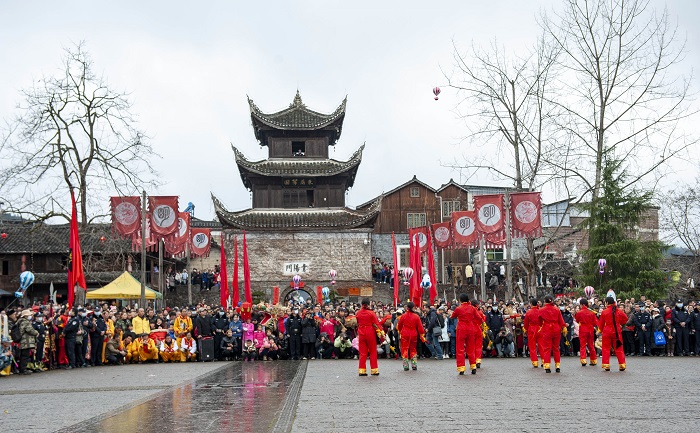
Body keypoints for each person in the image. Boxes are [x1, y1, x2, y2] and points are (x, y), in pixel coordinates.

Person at [451, 294, 480, 375]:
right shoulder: (472, 308)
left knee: (460, 349)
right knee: (471, 348)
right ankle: (473, 366)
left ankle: (461, 368)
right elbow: (479, 318)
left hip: (461, 329)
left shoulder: (458, 309)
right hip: (471, 328)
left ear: (460, 300)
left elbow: (452, 316)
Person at [598, 297, 627, 371]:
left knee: (606, 349)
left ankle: (606, 364)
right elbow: (625, 318)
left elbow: (601, 323)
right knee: (619, 348)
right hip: (617, 332)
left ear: (607, 303)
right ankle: (622, 364)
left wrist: (599, 331)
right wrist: (620, 323)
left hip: (607, 332)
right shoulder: (618, 311)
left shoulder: (604, 312)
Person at [538, 295, 566, 373]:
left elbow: (539, 321)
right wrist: (563, 327)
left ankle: (547, 366)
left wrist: (541, 326)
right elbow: (561, 320)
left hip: (547, 329)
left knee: (547, 348)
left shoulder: (541, 310)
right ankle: (557, 366)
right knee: (556, 348)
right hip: (556, 329)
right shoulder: (557, 309)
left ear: (545, 301)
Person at [356, 298, 383, 376]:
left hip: (361, 332)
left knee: (362, 353)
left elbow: (357, 322)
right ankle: (374, 370)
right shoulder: (371, 313)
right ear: (368, 304)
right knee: (372, 351)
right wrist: (381, 333)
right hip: (370, 332)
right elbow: (377, 324)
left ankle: (362, 370)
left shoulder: (358, 313)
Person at [396, 302, 426, 371]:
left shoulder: (403, 316)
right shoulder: (416, 316)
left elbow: (399, 325)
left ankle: (406, 365)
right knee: (413, 349)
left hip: (405, 334)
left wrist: (400, 331)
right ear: (413, 307)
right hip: (413, 334)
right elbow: (420, 327)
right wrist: (422, 334)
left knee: (405, 348)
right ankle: (414, 364)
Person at [575, 298, 597, 366]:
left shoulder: (579, 312)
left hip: (583, 329)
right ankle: (593, 360)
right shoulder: (592, 312)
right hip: (590, 329)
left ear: (582, 304)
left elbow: (577, 320)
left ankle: (583, 360)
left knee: (583, 345)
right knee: (591, 345)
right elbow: (595, 323)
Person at [17, 310, 39, 375]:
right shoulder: (25, 322)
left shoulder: (20, 321)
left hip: (23, 341)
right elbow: (30, 330)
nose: (30, 316)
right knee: (25, 355)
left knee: (23, 355)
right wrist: (36, 332)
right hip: (25, 341)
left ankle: (22, 369)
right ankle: (23, 369)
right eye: (29, 315)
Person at [523, 298, 540, 367]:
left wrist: (525, 330)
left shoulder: (528, 312)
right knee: (541, 345)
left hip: (532, 329)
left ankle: (535, 361)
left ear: (531, 304)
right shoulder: (540, 311)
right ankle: (544, 361)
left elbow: (526, 323)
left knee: (532, 346)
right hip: (539, 329)